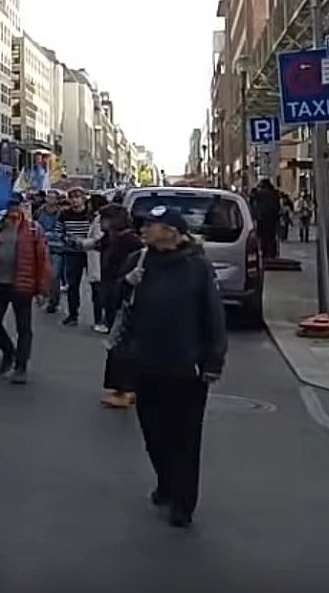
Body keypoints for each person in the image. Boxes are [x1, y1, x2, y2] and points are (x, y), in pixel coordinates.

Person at [109, 203, 226, 528]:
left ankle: (183, 503)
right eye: (144, 224)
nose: (144, 229)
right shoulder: (138, 261)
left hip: (186, 366)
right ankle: (166, 481)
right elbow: (111, 302)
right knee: (153, 433)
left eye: (151, 225)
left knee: (186, 438)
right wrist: (126, 284)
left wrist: (214, 360)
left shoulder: (197, 266)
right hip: (145, 362)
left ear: (171, 231)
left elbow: (213, 316)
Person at [0, 197, 52, 385]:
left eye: (17, 206)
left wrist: (42, 290)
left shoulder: (32, 230)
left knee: (23, 327)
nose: (13, 210)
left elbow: (42, 260)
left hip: (22, 285)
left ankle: (21, 367)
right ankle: (9, 352)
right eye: (10, 206)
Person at [93, 203, 144, 408]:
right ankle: (123, 388)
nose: (102, 223)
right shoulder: (112, 238)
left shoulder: (130, 241)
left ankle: (125, 389)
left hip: (124, 296)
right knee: (117, 342)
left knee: (120, 344)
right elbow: (97, 244)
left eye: (104, 219)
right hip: (113, 293)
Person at [56, 189, 96, 326]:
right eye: (72, 198)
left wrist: (88, 242)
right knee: (73, 285)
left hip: (90, 253)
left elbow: (97, 232)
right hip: (72, 252)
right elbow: (59, 232)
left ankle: (99, 317)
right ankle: (73, 314)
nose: (74, 200)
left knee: (96, 284)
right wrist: (69, 240)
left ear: (84, 199)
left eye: (77, 197)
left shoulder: (91, 215)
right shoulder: (64, 215)